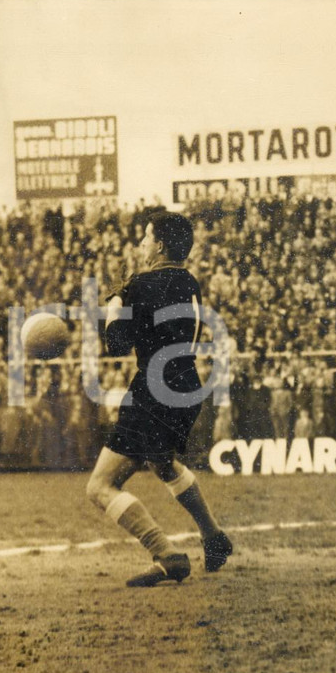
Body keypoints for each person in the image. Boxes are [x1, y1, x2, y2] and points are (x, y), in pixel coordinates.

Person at [86, 211, 232, 587]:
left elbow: (115, 344)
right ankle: (213, 535)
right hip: (187, 384)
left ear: (160, 245)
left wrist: (115, 305)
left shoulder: (141, 283)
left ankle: (165, 553)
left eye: (146, 238)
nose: (141, 244)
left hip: (154, 386)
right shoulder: (189, 281)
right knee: (162, 464)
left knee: (100, 486)